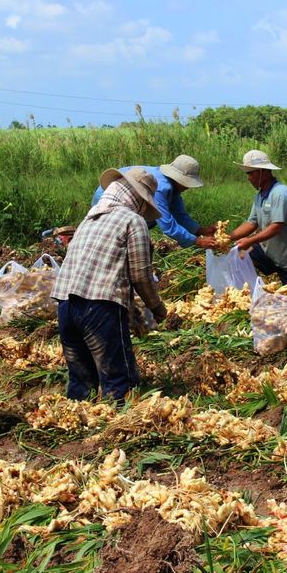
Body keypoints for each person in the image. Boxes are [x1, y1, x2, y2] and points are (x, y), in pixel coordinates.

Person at [53, 167, 168, 402]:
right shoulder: (132, 221)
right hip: (99, 308)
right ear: (137, 198)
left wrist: (133, 314)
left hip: (65, 304)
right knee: (118, 379)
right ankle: (114, 429)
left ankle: (79, 428)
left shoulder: (90, 218)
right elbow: (141, 276)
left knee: (81, 380)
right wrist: (157, 308)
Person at [90, 154, 218, 248]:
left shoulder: (173, 187)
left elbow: (180, 215)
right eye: (187, 184)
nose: (187, 187)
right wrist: (197, 241)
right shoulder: (161, 188)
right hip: (109, 196)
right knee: (112, 233)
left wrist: (202, 231)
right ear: (179, 179)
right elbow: (168, 226)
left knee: (144, 223)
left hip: (125, 200)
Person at [229, 150, 287, 285]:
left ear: (263, 172)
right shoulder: (259, 196)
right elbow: (251, 223)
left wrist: (250, 240)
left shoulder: (280, 193)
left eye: (251, 173)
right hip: (270, 254)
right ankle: (249, 289)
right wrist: (228, 238)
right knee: (240, 252)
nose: (248, 178)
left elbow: (277, 226)